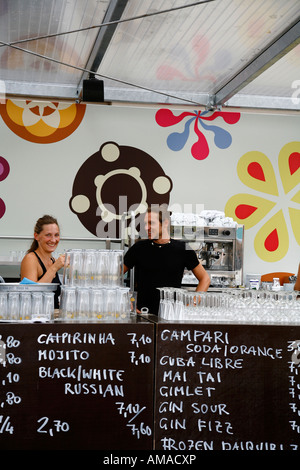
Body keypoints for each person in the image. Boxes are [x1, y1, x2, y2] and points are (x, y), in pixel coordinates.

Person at [123, 205, 210, 314]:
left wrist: (193, 304)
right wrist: (125, 300)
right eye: (145, 223)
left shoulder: (183, 249)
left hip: (171, 316)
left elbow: (205, 278)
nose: (146, 228)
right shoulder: (138, 248)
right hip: (142, 315)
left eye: (151, 223)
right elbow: (114, 276)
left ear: (165, 223)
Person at [20, 215, 65, 308]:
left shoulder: (52, 260)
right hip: (37, 319)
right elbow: (31, 296)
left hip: (52, 318)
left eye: (56, 235)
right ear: (36, 236)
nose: (53, 240)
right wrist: (54, 267)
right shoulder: (30, 259)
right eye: (48, 235)